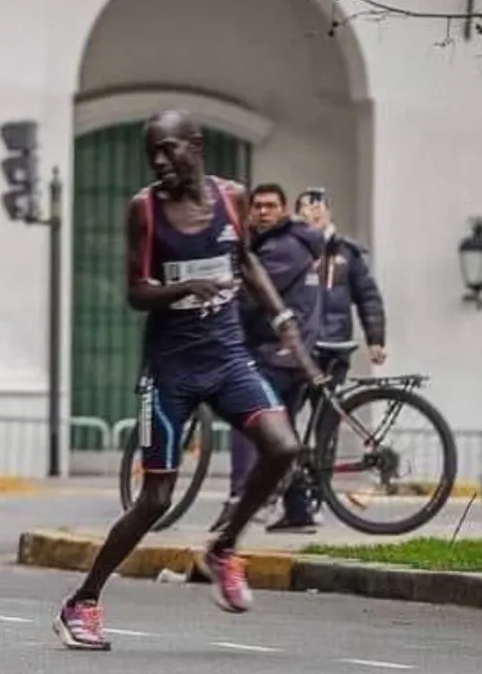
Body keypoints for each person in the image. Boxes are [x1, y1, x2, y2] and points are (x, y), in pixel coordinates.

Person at [52, 110, 326, 651]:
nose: (159, 161)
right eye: (151, 152)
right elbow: (135, 292)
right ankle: (81, 602)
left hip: (227, 360)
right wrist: (181, 291)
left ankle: (222, 548)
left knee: (283, 446)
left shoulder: (232, 198)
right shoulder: (144, 209)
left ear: (196, 147)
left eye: (170, 149)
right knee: (156, 499)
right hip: (170, 372)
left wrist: (283, 321)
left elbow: (246, 261)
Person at [209, 183, 325, 534]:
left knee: (249, 420)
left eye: (270, 206)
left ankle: (239, 495)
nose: (261, 212)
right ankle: (298, 509)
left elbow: (252, 294)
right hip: (285, 352)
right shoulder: (278, 243)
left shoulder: (286, 247)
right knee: (281, 432)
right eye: (257, 206)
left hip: (281, 353)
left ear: (284, 209)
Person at [295, 188, 386, 381]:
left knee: (329, 405)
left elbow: (368, 297)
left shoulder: (347, 252)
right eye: (307, 207)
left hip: (335, 345)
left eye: (319, 206)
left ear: (329, 212)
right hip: (301, 344)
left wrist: (375, 339)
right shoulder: (292, 250)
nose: (314, 212)